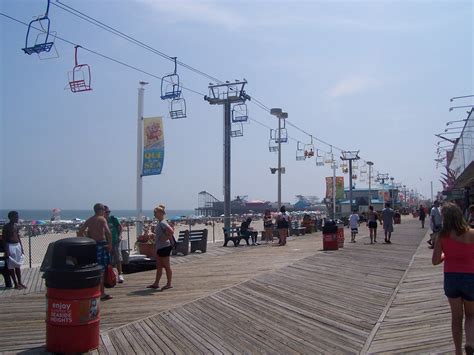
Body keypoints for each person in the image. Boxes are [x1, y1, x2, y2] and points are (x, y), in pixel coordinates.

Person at [432, 202, 474, 355]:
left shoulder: (443, 236)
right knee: (471, 315)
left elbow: (435, 260)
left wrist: (445, 255)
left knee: (456, 317)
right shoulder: (472, 233)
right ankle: (469, 342)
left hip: (451, 278)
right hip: (470, 276)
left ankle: (458, 352)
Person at [77, 203, 113, 300]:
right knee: (102, 270)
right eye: (104, 211)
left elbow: (80, 231)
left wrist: (85, 241)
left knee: (94, 269)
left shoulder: (90, 220)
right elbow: (108, 232)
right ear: (101, 210)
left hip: (93, 245)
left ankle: (96, 291)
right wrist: (110, 245)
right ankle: (101, 293)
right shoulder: (102, 219)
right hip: (101, 245)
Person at [147, 205, 174, 291]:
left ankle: (169, 283)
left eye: (155, 212)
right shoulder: (160, 222)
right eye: (154, 213)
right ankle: (156, 283)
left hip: (164, 247)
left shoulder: (162, 222)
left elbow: (171, 231)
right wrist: (155, 236)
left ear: (161, 213)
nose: (154, 214)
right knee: (159, 266)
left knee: (166, 266)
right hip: (160, 247)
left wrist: (166, 238)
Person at [2, 211, 25, 289]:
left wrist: (21, 248)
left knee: (18, 265)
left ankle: (20, 282)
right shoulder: (6, 227)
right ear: (11, 218)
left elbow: (18, 237)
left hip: (17, 245)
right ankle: (15, 283)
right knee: (11, 266)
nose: (17, 218)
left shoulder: (16, 226)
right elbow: (4, 240)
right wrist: (7, 251)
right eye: (16, 217)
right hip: (10, 246)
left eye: (17, 216)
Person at [104, 206, 124, 283]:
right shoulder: (102, 221)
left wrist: (119, 236)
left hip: (115, 241)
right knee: (109, 259)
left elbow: (120, 227)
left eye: (109, 212)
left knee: (118, 258)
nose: (108, 213)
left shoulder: (113, 219)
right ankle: (110, 275)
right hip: (106, 242)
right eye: (106, 212)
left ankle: (120, 274)